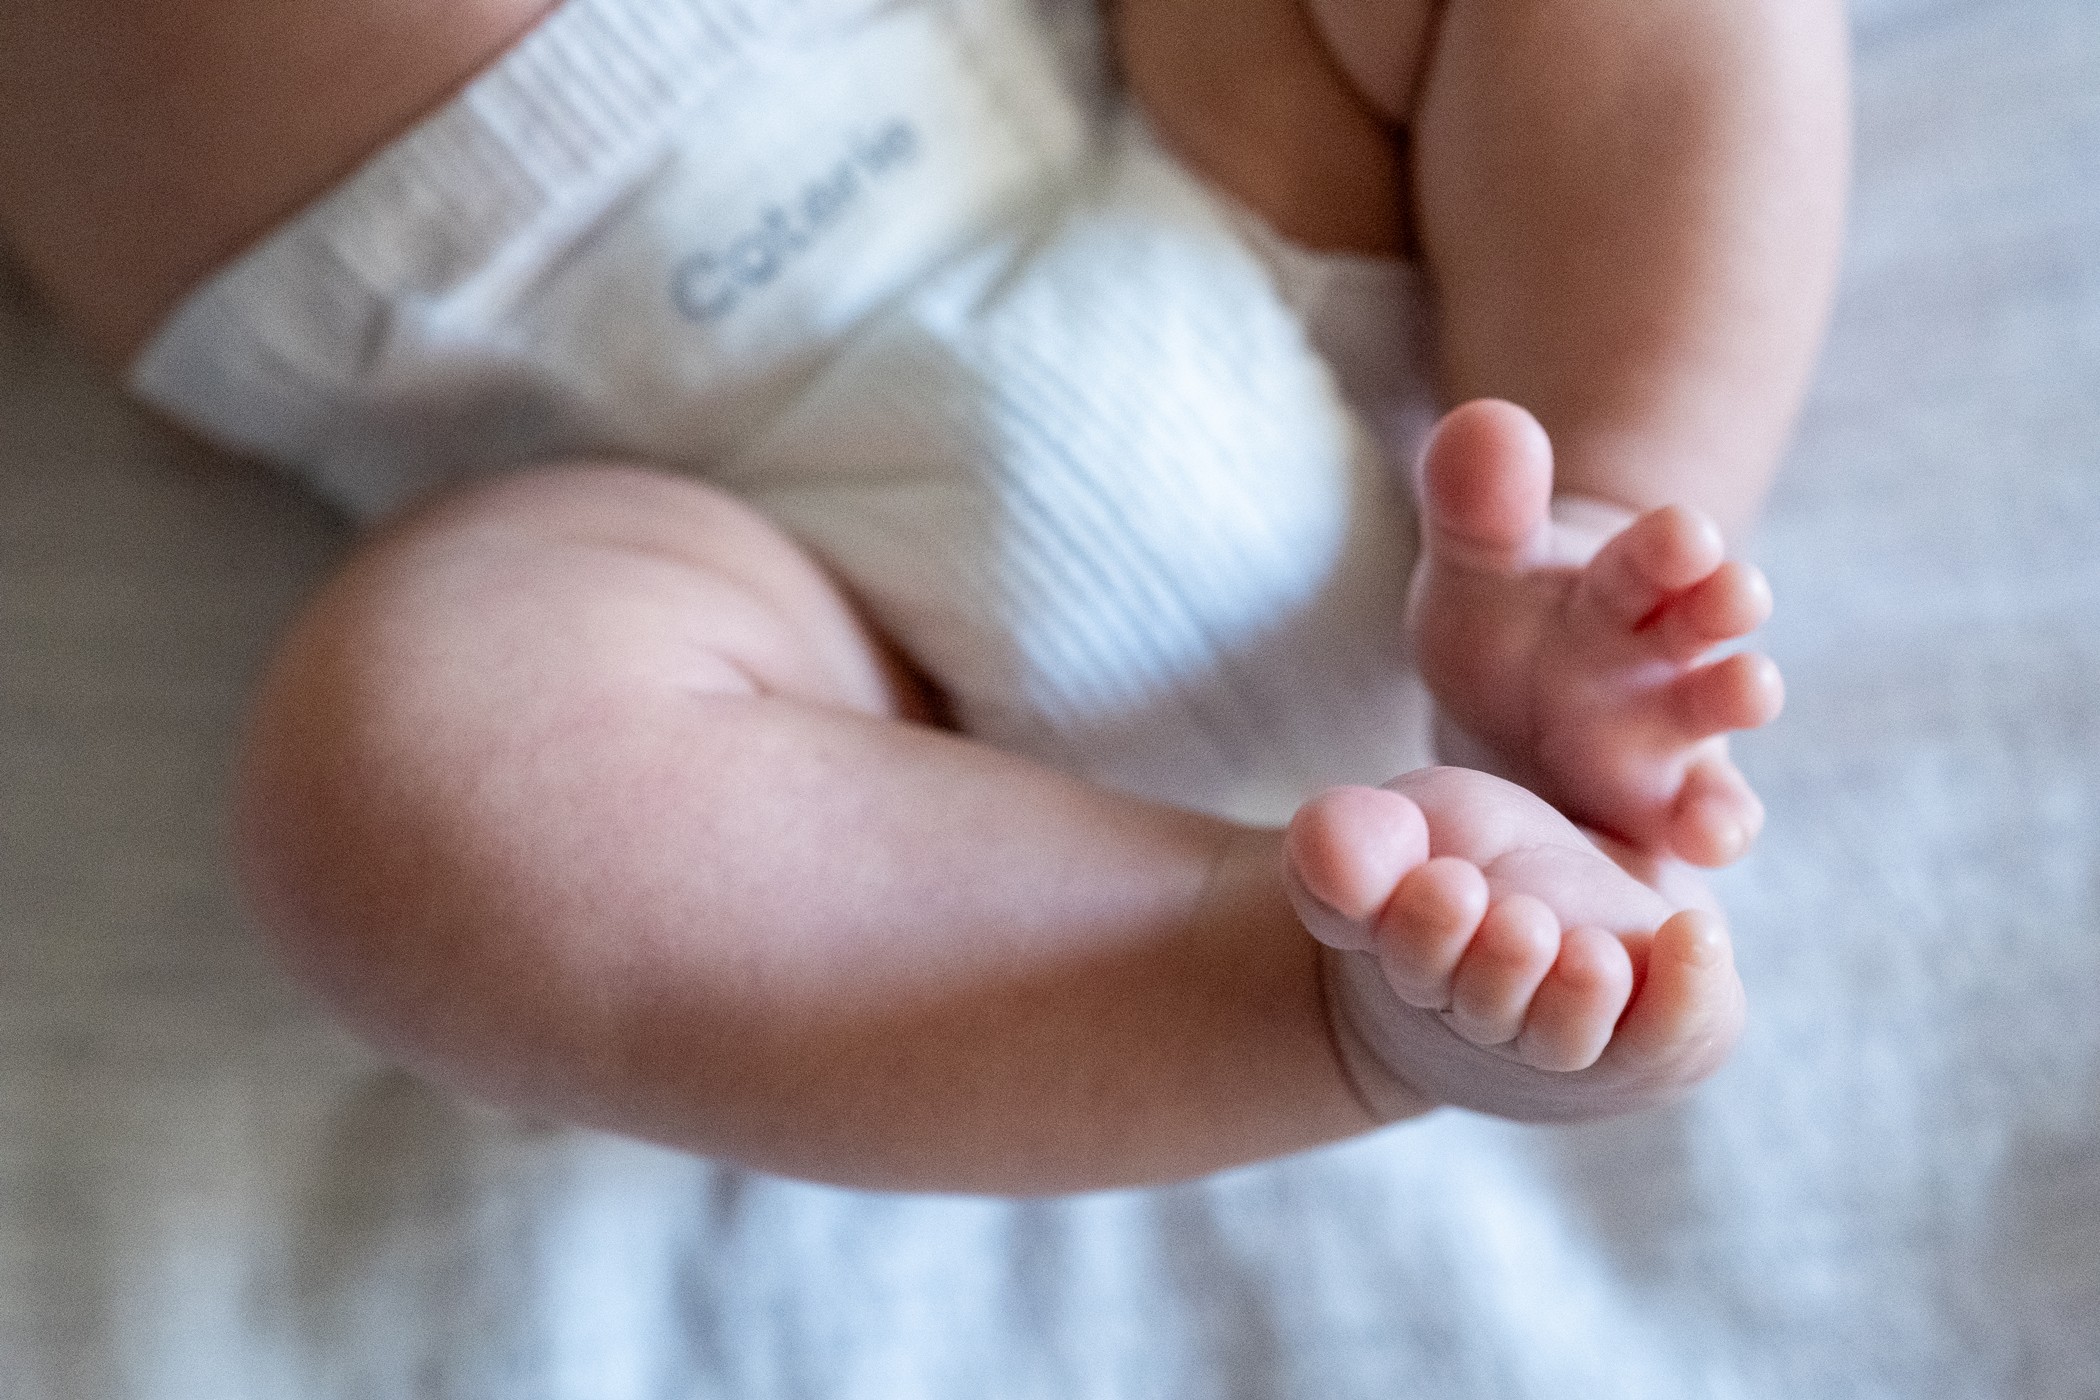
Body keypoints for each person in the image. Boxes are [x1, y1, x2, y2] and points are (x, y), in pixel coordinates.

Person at [0, 0, 1845, 1191]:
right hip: (752, 586)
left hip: (1196, 164)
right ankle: (1321, 1010)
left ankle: (1603, 519)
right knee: (393, 783)